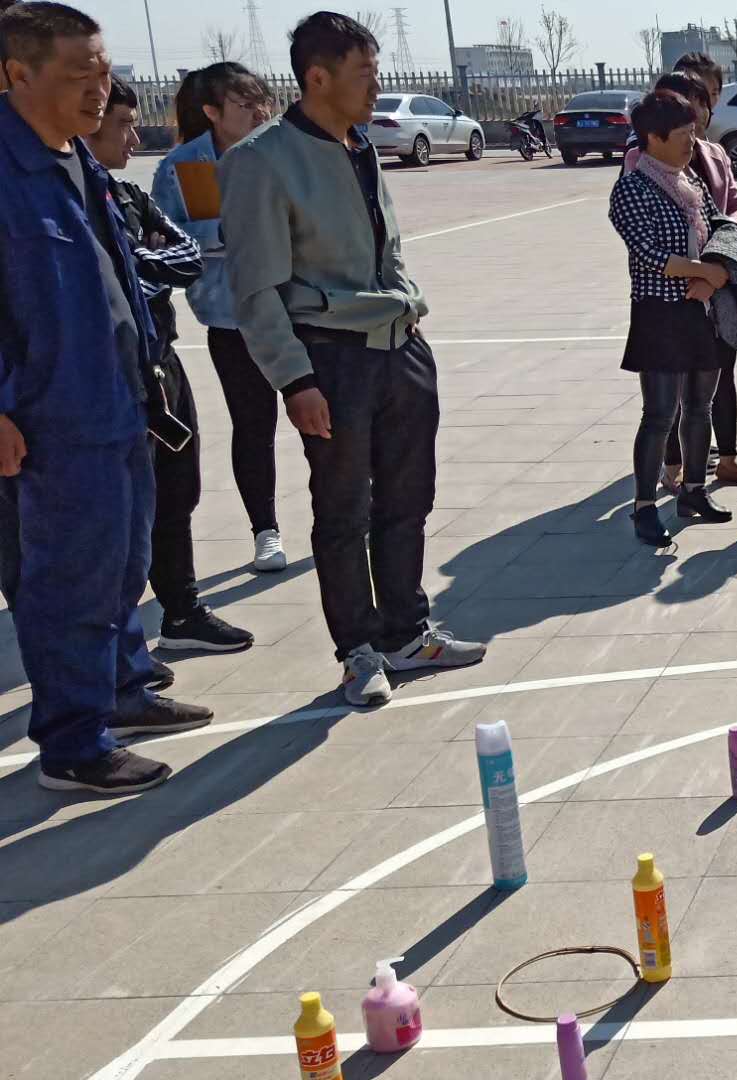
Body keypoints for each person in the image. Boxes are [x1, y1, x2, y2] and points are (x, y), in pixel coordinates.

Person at [222, 11, 486, 707]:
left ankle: (406, 632)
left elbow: (387, 247)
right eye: (365, 74)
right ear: (318, 77)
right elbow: (255, 290)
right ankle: (359, 652)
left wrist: (407, 305)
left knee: (408, 499)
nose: (377, 88)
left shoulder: (360, 146)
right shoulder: (261, 161)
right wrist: (295, 380)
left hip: (400, 349)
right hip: (330, 360)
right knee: (343, 512)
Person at [0, 0, 214, 794]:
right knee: (68, 581)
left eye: (104, 71)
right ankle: (73, 744)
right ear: (18, 74)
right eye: (78, 75)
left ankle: (122, 690)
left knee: (124, 563)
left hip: (118, 401)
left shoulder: (79, 163)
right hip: (52, 417)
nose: (100, 89)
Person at [88, 80, 256, 653]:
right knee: (120, 510)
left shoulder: (129, 195)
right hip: (113, 371)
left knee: (176, 490)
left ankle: (181, 613)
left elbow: (187, 257)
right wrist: (141, 259)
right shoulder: (185, 167)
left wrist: (136, 260)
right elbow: (108, 277)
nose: (136, 138)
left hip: (161, 359)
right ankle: (116, 645)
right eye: (123, 125)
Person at [151, 61, 289, 573]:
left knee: (329, 416)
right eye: (244, 104)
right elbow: (166, 242)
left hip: (298, 309)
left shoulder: (284, 151)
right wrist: (224, 233)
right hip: (232, 317)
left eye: (262, 101)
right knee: (254, 425)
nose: (259, 112)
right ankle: (265, 530)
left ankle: (344, 516)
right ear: (211, 112)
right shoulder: (185, 167)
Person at [611, 90, 734, 547]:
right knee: (660, 413)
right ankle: (644, 506)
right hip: (659, 313)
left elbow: (720, 231)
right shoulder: (631, 188)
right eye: (683, 134)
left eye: (693, 132)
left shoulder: (691, 182)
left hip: (700, 308)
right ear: (653, 137)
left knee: (700, 406)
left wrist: (713, 278)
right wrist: (703, 272)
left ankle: (694, 491)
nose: (691, 142)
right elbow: (647, 253)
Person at [640, 56, 737, 490]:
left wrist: (722, 257)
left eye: (706, 100)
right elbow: (649, 236)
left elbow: (734, 205)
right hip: (673, 291)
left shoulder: (715, 154)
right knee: (676, 386)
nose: (701, 110)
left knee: (721, 375)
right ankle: (673, 468)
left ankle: (727, 458)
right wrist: (695, 270)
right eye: (692, 101)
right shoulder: (641, 161)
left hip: (719, 283)